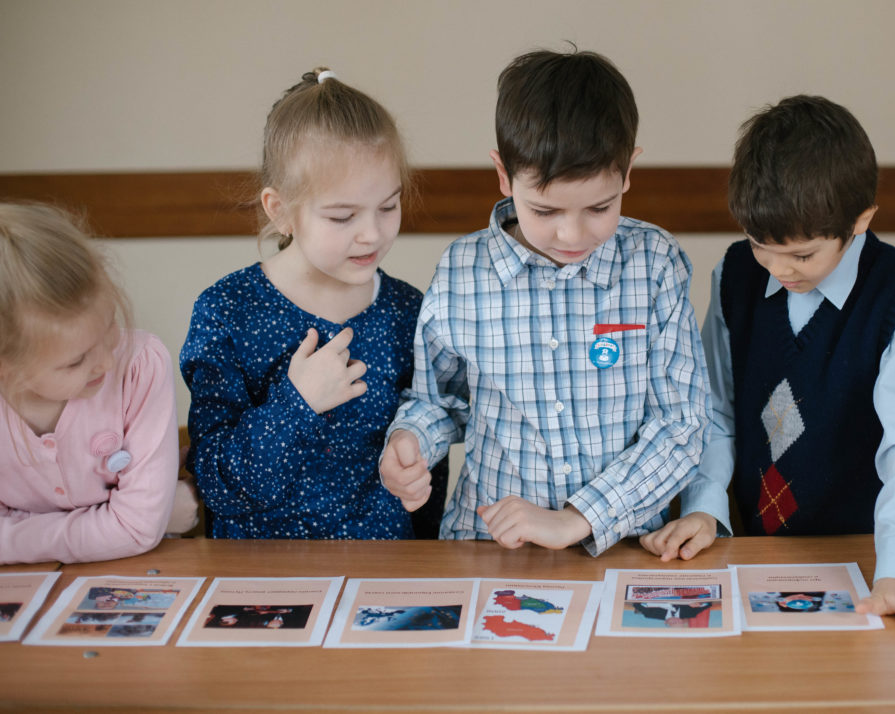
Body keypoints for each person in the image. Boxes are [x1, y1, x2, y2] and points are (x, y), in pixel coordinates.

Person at [640, 95, 895, 639]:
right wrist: (705, 506)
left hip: (861, 547)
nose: (778, 267)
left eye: (804, 254)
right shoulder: (737, 275)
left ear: (860, 221)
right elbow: (715, 411)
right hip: (747, 543)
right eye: (761, 245)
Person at [380, 48, 710, 555]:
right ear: (503, 175)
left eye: (600, 207)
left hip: (625, 546)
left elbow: (682, 426)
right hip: (488, 546)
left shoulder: (656, 264)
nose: (572, 232)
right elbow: (439, 401)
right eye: (545, 208)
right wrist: (409, 443)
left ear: (628, 171)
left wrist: (578, 519)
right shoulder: (463, 272)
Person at [180, 68, 445, 539]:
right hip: (259, 582)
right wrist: (296, 404)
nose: (373, 233)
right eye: (342, 216)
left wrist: (415, 476)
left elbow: (427, 473)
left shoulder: (408, 311)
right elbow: (215, 483)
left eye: (388, 206)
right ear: (279, 210)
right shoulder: (229, 311)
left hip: (384, 578)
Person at [0, 202, 190, 564]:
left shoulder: (139, 364)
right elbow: (134, 526)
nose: (105, 361)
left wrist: (17, 532)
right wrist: (112, 524)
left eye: (109, 329)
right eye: (75, 361)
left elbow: (138, 529)